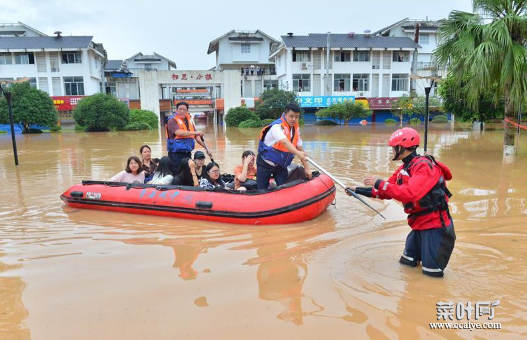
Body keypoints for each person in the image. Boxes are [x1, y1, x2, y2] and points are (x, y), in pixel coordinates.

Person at [346, 127, 456, 277]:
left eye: (393, 148)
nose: (392, 151)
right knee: (407, 264)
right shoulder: (405, 169)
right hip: (419, 225)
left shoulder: (424, 167)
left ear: (401, 147)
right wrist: (356, 190)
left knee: (431, 276)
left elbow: (410, 194)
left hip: (435, 226)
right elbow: (385, 192)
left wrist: (378, 182)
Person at [256, 104, 312, 189]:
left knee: (284, 189)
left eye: (297, 117)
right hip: (265, 163)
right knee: (261, 190)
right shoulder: (277, 127)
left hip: (281, 165)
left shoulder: (296, 129)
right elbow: (285, 142)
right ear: (285, 114)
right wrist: (298, 153)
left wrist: (307, 168)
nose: (294, 119)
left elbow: (299, 147)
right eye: (291, 116)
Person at [165, 102, 213, 172]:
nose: (182, 111)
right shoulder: (172, 121)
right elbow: (178, 132)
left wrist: (206, 148)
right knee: (177, 172)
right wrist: (196, 132)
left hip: (187, 153)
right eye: (180, 109)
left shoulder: (189, 121)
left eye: (184, 109)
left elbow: (196, 137)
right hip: (175, 155)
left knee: (188, 172)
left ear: (187, 111)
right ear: (176, 110)